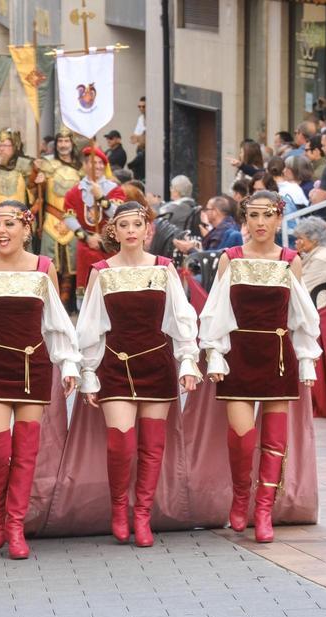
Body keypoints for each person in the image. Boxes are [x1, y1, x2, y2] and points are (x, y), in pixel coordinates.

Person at [0, 202, 80, 559]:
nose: (1, 230)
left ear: (27, 228)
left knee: (26, 452)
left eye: (10, 223)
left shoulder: (44, 267)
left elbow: (56, 320)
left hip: (33, 365)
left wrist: (68, 363)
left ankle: (15, 525)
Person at [200, 191, 321, 543]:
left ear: (279, 220)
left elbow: (302, 317)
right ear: (244, 221)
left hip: (277, 357)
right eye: (253, 216)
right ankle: (241, 497)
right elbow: (216, 310)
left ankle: (263, 509)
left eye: (268, 215)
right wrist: (215, 353)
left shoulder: (290, 261)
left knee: (274, 442)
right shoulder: (231, 258)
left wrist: (307, 360)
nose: (261, 223)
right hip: (239, 354)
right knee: (241, 438)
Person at [76, 202, 200, 546]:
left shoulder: (164, 268)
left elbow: (180, 317)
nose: (131, 230)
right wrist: (88, 371)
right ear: (113, 231)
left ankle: (142, 514)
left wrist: (188, 360)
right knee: (121, 444)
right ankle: (119, 508)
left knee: (152, 446)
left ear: (148, 230)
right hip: (115, 365)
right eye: (124, 225)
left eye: (138, 224)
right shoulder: (101, 270)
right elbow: (90, 325)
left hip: (156, 365)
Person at [63, 145, 126, 300]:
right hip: (86, 246)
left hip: (109, 246)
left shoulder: (115, 190)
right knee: (86, 288)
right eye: (93, 162)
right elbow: (69, 218)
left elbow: (118, 214)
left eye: (100, 163)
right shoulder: (74, 192)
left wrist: (101, 199)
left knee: (110, 289)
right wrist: (87, 238)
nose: (97, 166)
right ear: (85, 165)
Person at [35, 128, 83, 303]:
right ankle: (52, 301)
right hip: (51, 218)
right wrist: (37, 180)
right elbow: (36, 193)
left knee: (71, 263)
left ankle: (65, 301)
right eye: (60, 141)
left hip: (73, 219)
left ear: (72, 144)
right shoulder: (48, 165)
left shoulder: (81, 167)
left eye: (66, 141)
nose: (63, 145)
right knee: (52, 262)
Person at [291, 217, 326, 304]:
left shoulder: (322, 259)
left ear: (314, 240)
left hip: (317, 307)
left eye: (300, 238)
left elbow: (302, 288)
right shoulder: (317, 253)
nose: (296, 242)